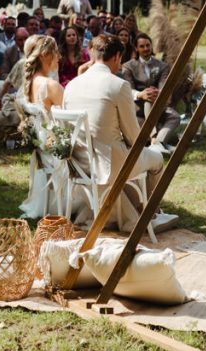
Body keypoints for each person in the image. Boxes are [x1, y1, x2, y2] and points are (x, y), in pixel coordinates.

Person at [62, 34, 175, 232]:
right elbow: (134, 138)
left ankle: (136, 209)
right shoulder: (118, 85)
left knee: (131, 153)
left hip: (79, 163)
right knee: (156, 159)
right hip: (109, 165)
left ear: (92, 54)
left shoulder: (71, 85)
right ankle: (148, 212)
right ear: (116, 57)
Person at [120, 33, 181, 149]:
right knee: (147, 101)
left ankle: (158, 142)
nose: (146, 48)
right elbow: (128, 89)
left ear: (152, 46)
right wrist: (140, 94)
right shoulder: (128, 66)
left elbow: (163, 87)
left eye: (148, 45)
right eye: (142, 46)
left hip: (157, 103)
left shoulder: (162, 66)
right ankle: (154, 136)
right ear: (136, 49)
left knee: (175, 116)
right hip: (137, 106)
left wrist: (156, 93)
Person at [22, 35, 63, 113]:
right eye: (55, 51)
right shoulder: (51, 85)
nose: (59, 56)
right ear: (43, 55)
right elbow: (69, 122)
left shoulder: (30, 81)